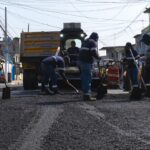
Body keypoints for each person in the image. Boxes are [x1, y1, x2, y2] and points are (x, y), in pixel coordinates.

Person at [79, 32, 100, 101]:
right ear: (96, 38)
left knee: (84, 78)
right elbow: (93, 52)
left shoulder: (85, 41)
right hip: (87, 62)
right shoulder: (92, 42)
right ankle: (87, 96)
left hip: (81, 62)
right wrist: (98, 58)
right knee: (88, 78)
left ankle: (85, 94)